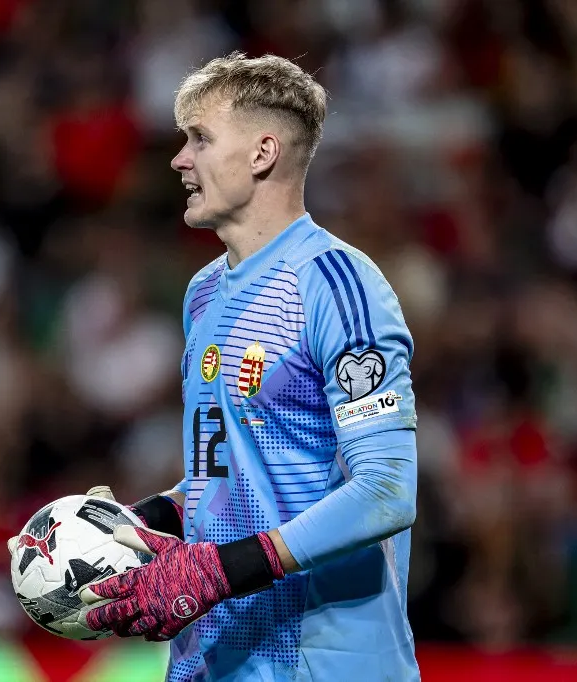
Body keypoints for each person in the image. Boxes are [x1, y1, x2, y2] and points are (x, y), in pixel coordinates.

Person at [78, 52, 421, 681]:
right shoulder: (205, 293)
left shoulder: (338, 285)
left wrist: (219, 571)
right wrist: (130, 525)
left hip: (320, 663)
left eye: (200, 139)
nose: (180, 159)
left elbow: (386, 490)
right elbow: (225, 477)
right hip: (216, 660)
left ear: (263, 153)